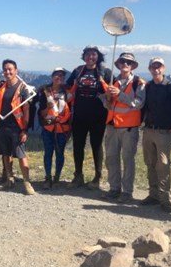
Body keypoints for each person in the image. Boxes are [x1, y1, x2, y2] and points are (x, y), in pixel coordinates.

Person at [139, 57, 171, 213]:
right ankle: (153, 195)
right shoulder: (147, 87)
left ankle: (165, 198)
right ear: (149, 69)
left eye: (159, 66)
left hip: (164, 132)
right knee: (150, 163)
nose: (156, 69)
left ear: (164, 68)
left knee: (163, 165)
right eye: (153, 67)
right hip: (148, 130)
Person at [100, 53, 146, 203]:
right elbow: (109, 105)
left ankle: (127, 192)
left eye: (128, 62)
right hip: (112, 125)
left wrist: (119, 94)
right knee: (111, 158)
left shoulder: (139, 83)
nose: (125, 64)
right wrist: (106, 98)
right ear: (119, 65)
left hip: (129, 127)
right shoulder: (113, 82)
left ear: (132, 66)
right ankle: (114, 189)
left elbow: (138, 103)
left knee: (128, 159)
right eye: (123, 62)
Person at [66, 45, 112, 189]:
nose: (90, 57)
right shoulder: (78, 71)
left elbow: (114, 90)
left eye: (93, 54)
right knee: (78, 145)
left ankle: (97, 177)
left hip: (98, 116)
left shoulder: (105, 72)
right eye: (87, 54)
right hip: (79, 114)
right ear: (83, 56)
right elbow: (67, 86)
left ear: (98, 57)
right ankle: (78, 175)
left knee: (96, 145)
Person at [0, 59, 35, 195]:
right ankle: (9, 179)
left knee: (21, 155)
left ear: (16, 71)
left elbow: (26, 111)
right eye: (5, 70)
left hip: (17, 127)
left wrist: (25, 130)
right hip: (3, 126)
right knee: (6, 153)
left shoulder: (23, 89)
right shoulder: (1, 87)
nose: (8, 72)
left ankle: (27, 182)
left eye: (10, 69)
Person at [38, 67, 73, 189]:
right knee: (48, 153)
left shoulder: (68, 92)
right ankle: (48, 177)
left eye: (62, 76)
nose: (60, 78)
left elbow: (72, 109)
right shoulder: (45, 92)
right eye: (57, 75)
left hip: (62, 128)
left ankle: (57, 177)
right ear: (52, 77)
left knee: (60, 153)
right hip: (48, 127)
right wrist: (48, 107)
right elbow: (42, 113)